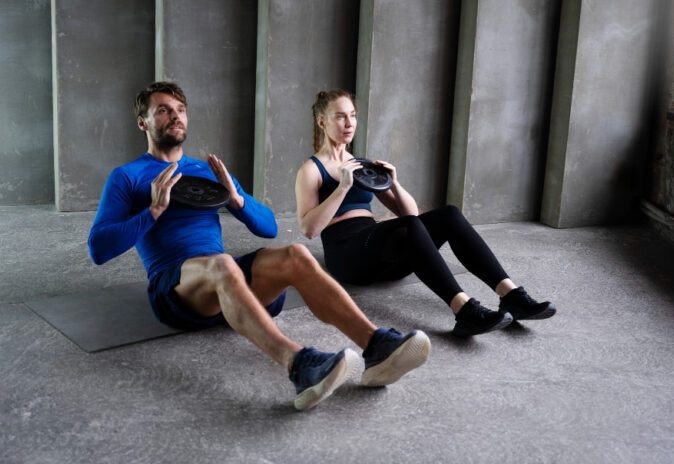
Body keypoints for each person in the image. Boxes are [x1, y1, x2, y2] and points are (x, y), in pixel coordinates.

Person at [88, 82, 430, 410]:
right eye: (163, 111)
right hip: (175, 288)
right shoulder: (127, 176)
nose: (175, 116)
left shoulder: (205, 170)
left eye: (180, 109)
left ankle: (376, 345)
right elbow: (99, 249)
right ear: (142, 122)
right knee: (222, 263)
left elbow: (267, 227)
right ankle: (299, 366)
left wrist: (236, 199)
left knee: (295, 254)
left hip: (225, 279)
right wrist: (153, 211)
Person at [295, 89, 556, 337]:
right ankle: (464, 310)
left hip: (378, 252)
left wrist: (394, 183)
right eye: (340, 116)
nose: (349, 122)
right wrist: (343, 187)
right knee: (407, 227)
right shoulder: (311, 169)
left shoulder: (361, 164)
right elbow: (309, 229)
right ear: (322, 122)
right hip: (347, 255)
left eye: (352, 115)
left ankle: (510, 295)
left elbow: (411, 217)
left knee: (450, 215)